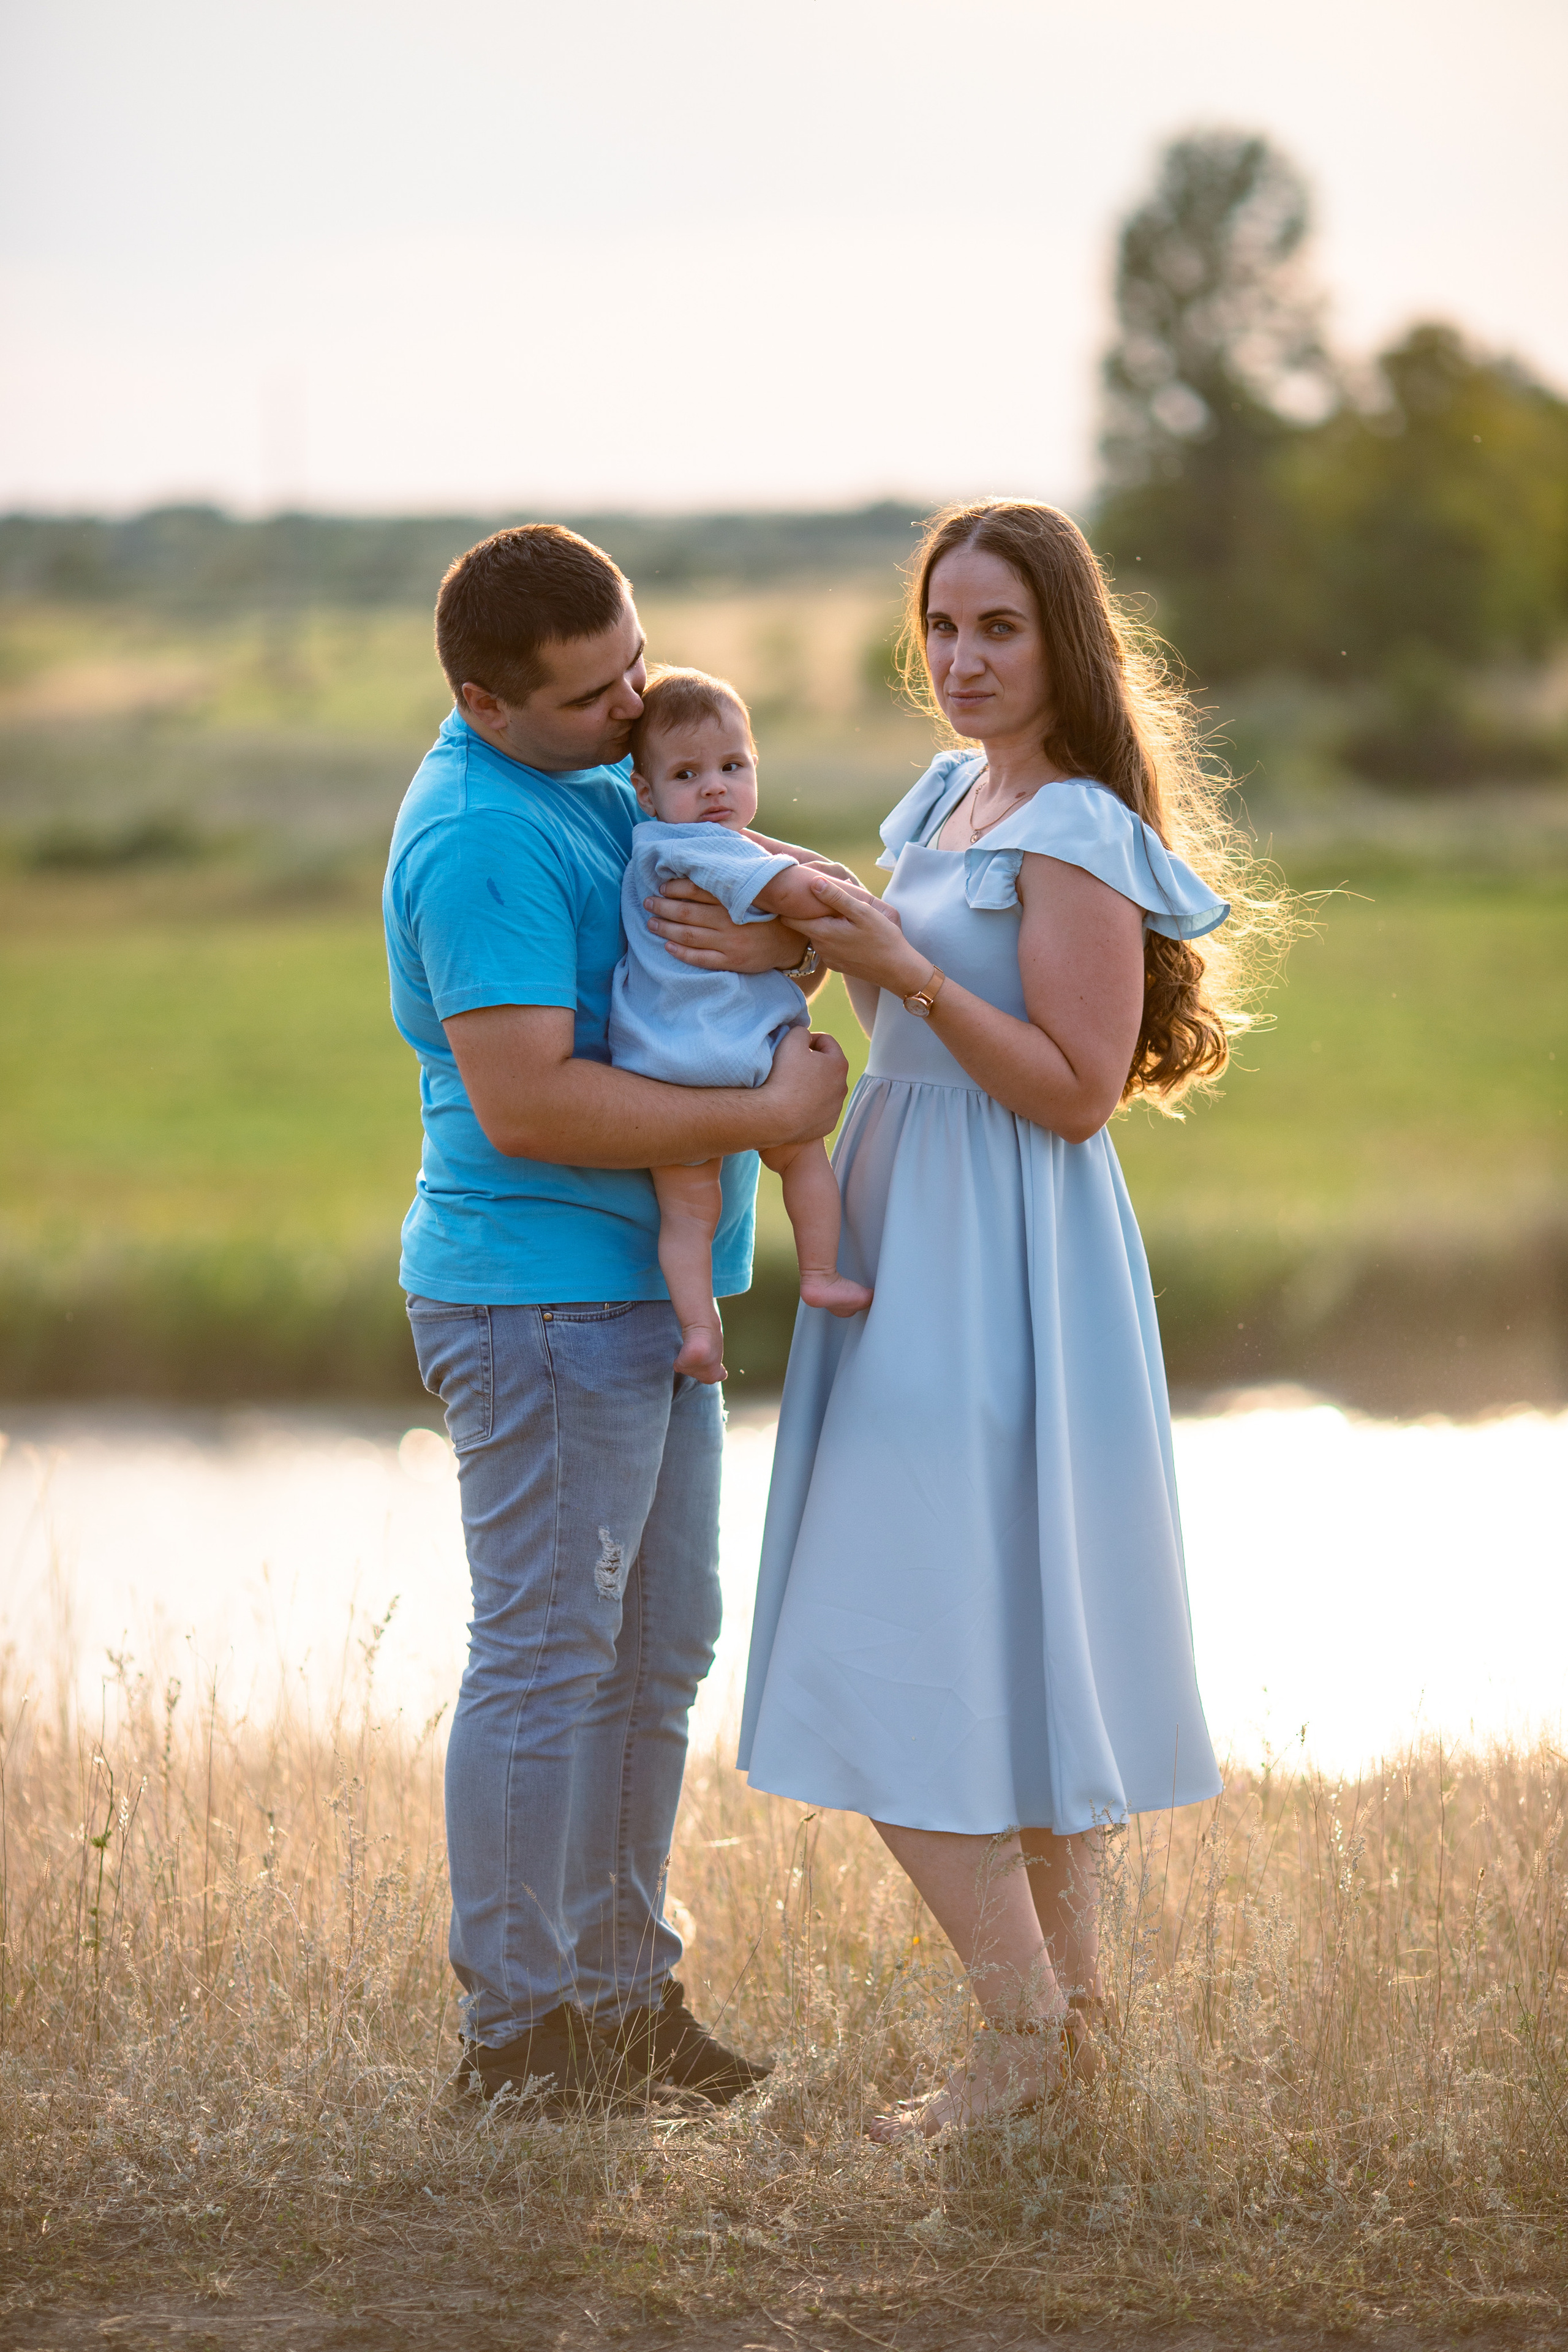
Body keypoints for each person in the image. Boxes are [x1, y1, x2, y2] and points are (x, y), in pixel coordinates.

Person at [737, 499, 1273, 2136]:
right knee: (982, 1633)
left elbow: (1072, 1090)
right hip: (907, 1224)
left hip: (1008, 1254)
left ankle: (1027, 2041)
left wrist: (903, 967)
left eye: (998, 629)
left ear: (1063, 644)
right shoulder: (945, 796)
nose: (961, 660)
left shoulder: (1076, 830)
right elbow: (908, 1015)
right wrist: (822, 938)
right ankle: (1071, 2047)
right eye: (942, 627)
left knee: (895, 1637)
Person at [382, 524, 850, 2110]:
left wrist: (783, 947)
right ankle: (520, 2041)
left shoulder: (598, 778)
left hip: (641, 1298)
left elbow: (717, 926)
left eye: (635, 665)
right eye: (594, 695)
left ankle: (621, 1996)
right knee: (547, 1656)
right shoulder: (480, 837)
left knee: (655, 1651)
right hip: (539, 1301)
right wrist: (763, 1115)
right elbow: (527, 1105)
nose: (633, 707)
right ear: (485, 701)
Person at [609, 667, 875, 1382]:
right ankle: (820, 1274)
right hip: (745, 1051)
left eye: (732, 767)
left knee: (687, 1214)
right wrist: (856, 904)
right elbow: (798, 890)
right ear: (646, 793)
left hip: (664, 1065)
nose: (714, 789)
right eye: (687, 774)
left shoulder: (652, 845)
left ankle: (700, 1333)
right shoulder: (699, 845)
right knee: (803, 1159)